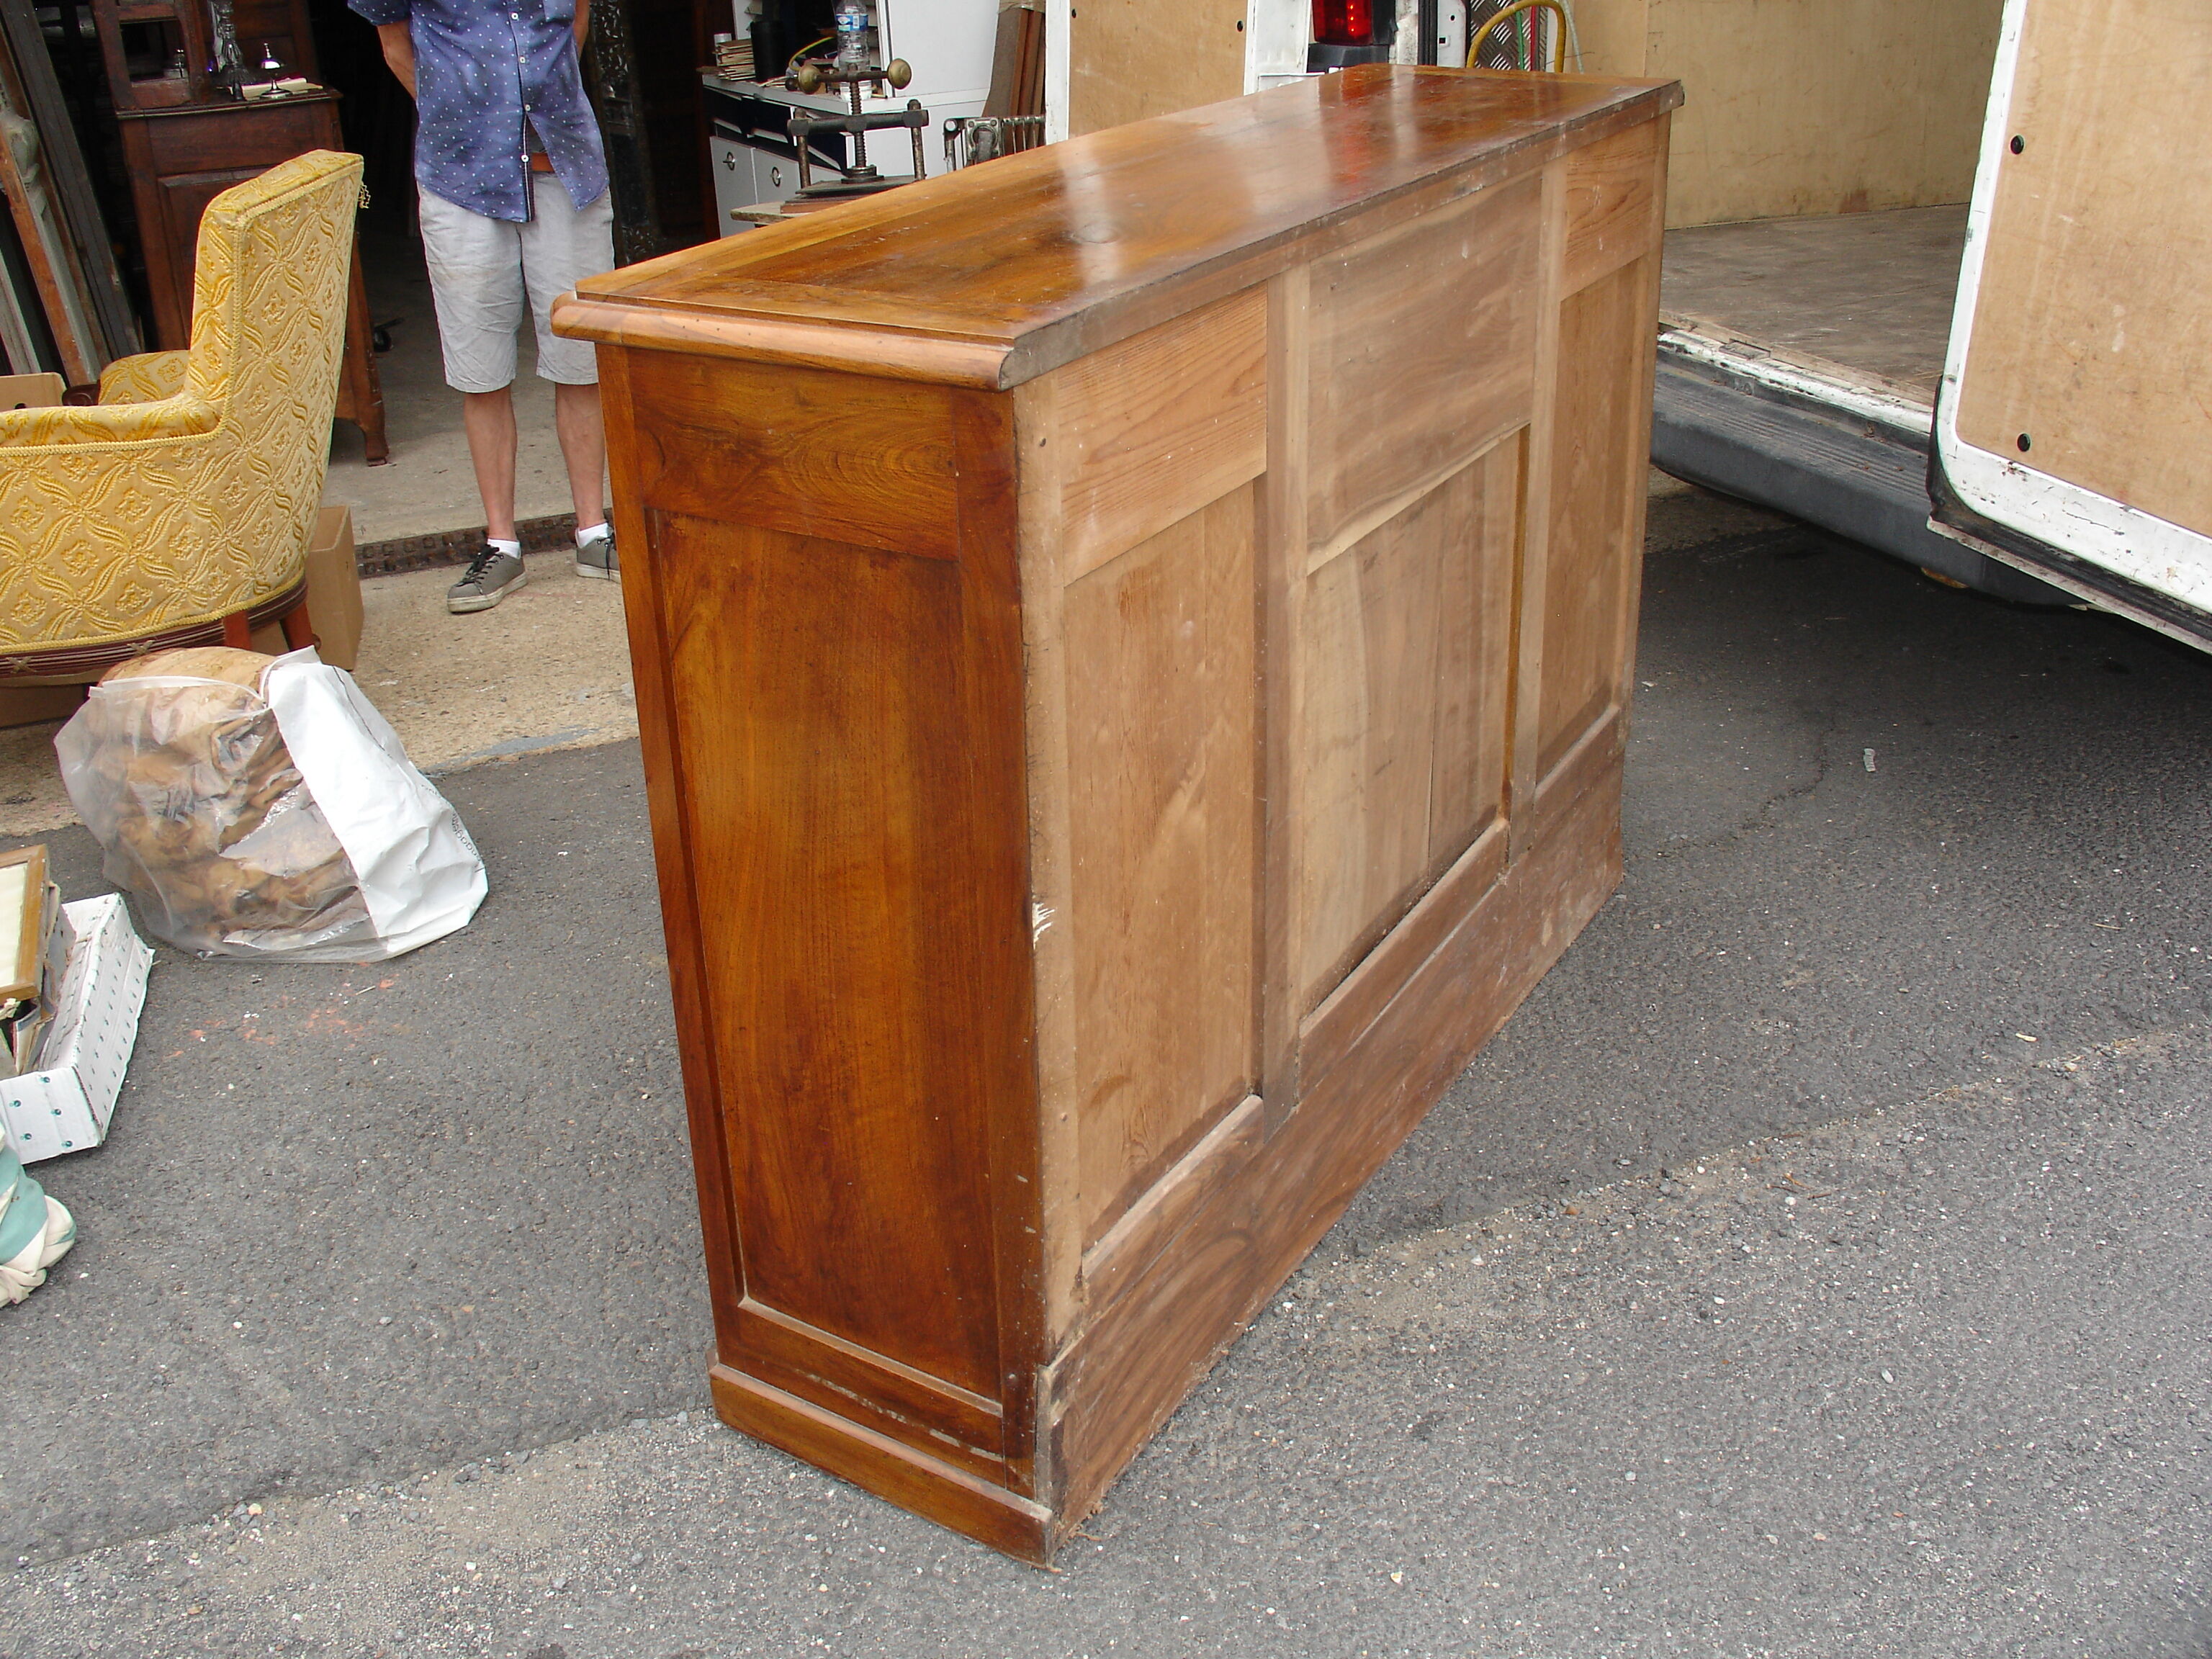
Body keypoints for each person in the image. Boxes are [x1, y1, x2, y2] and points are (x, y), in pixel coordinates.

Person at [352, 0, 620, 613]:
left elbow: (574, 26)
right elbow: (396, 47)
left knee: (581, 352)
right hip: (461, 177)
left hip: (566, 166)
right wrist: (472, 121)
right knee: (481, 366)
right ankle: (502, 543)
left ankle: (593, 533)